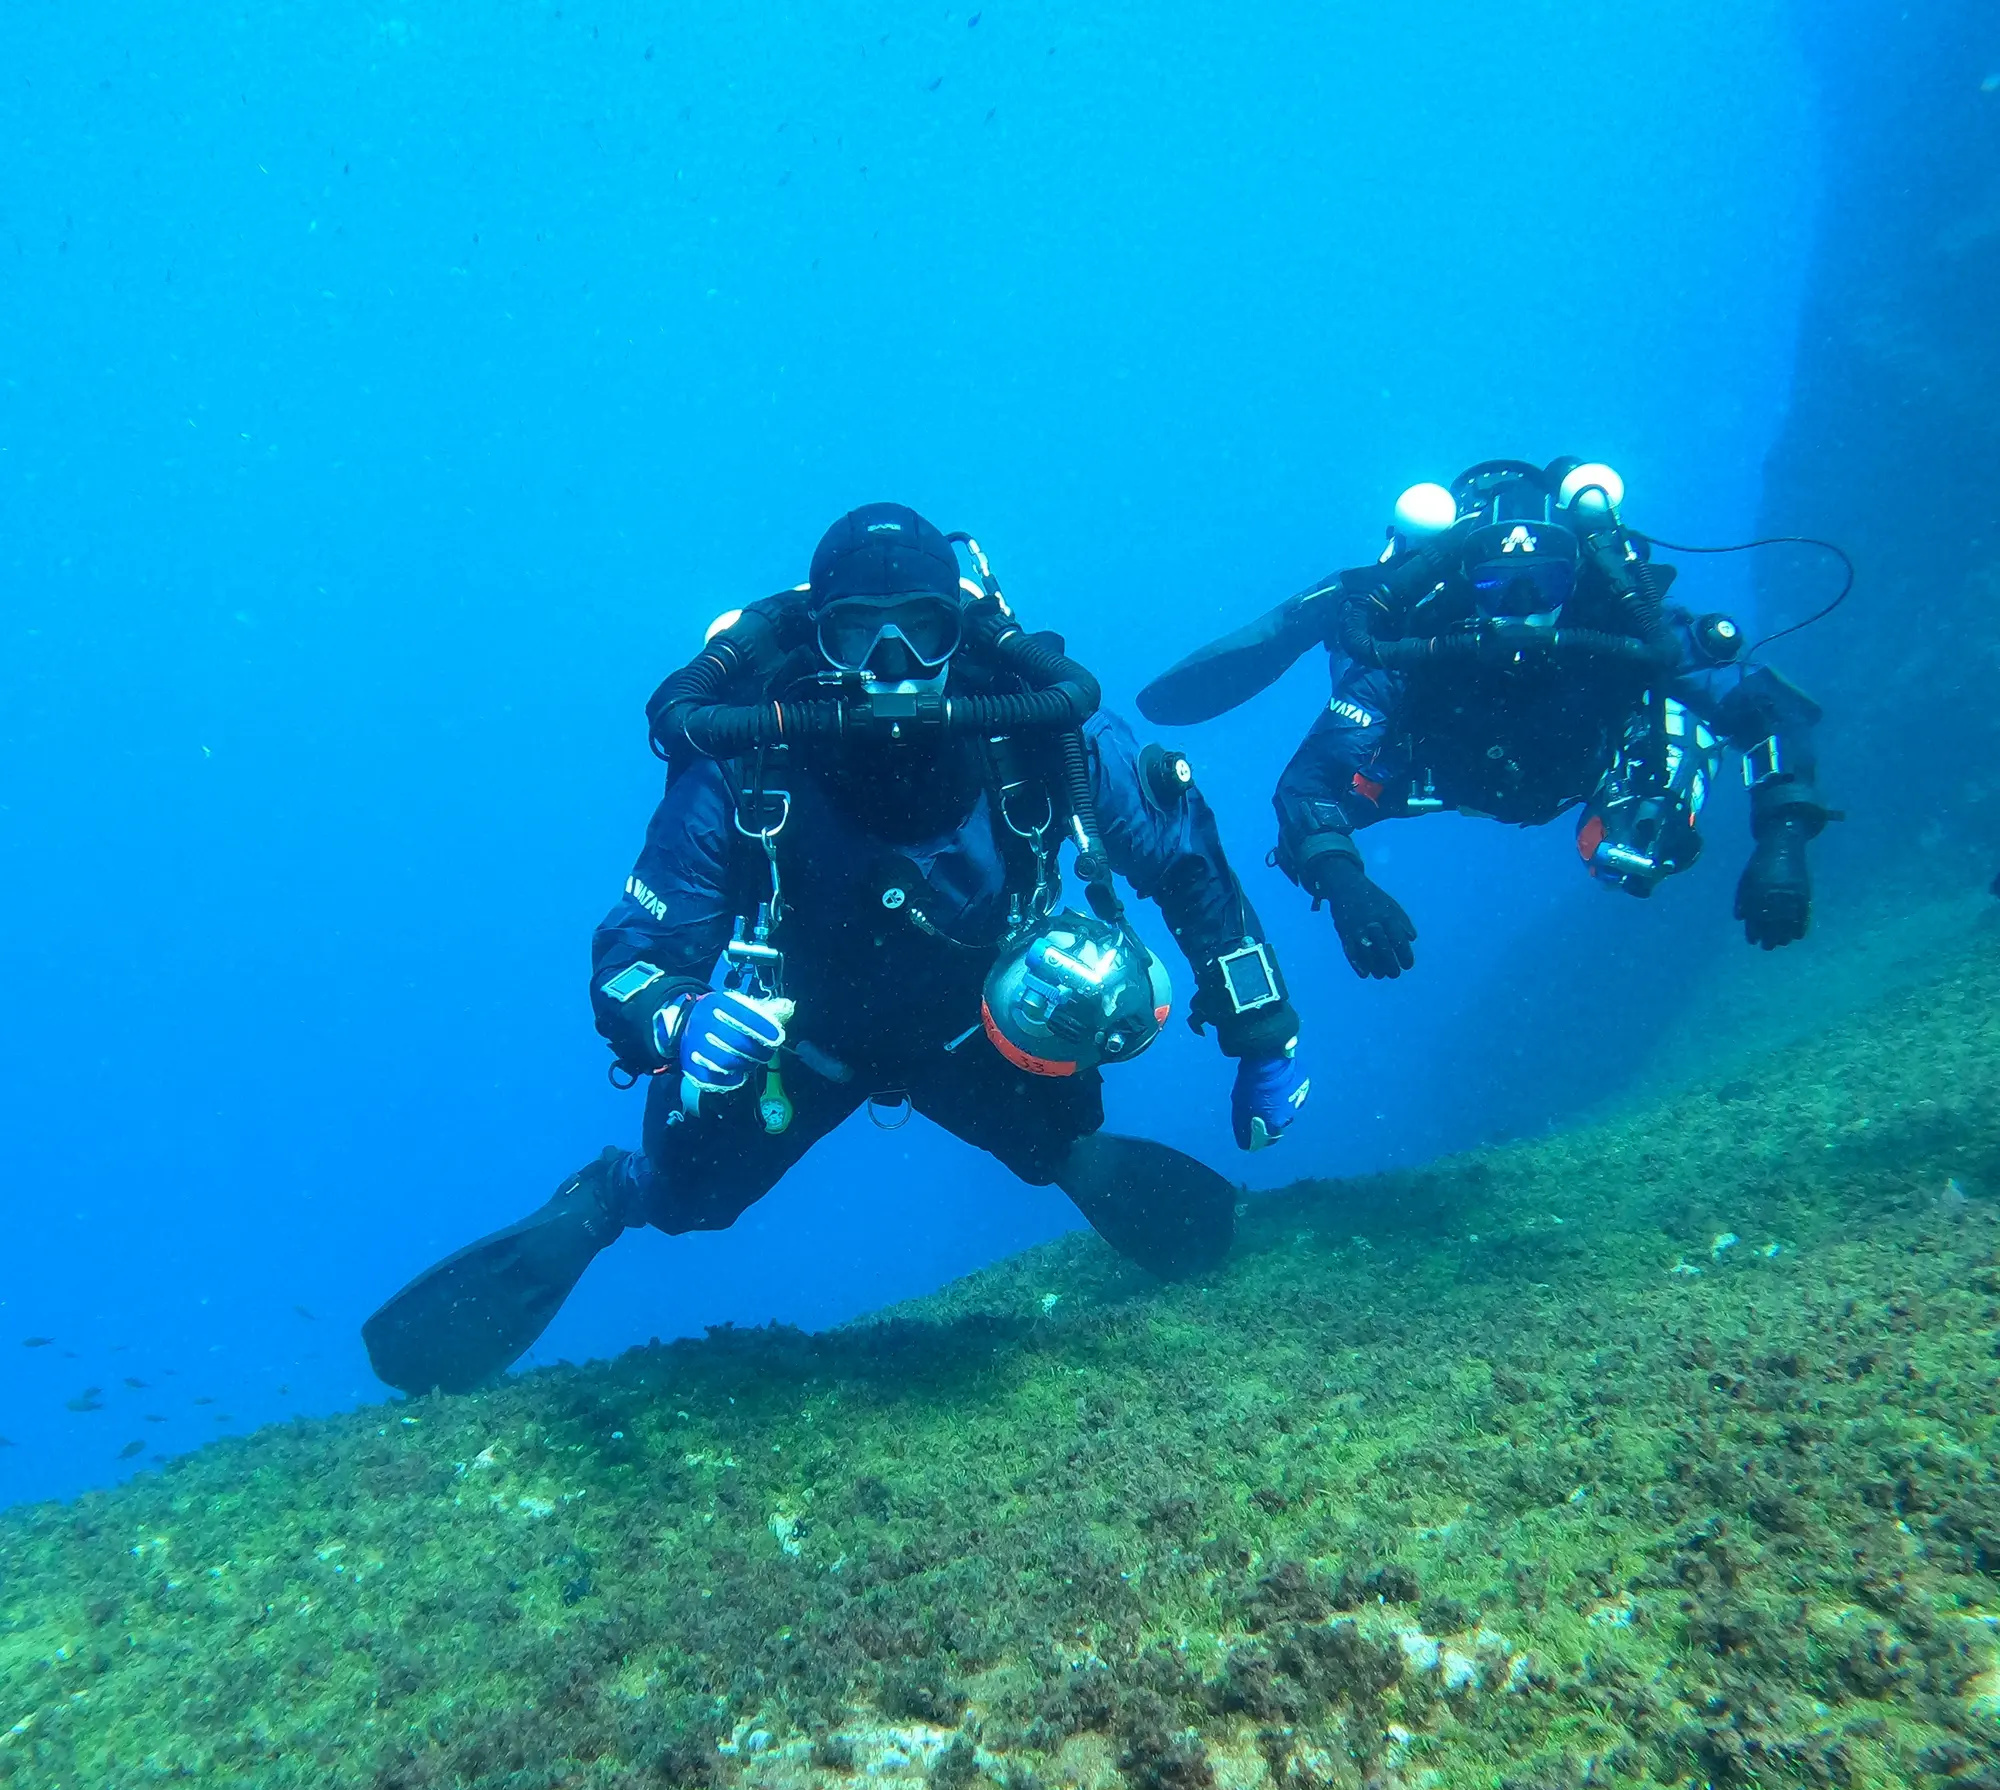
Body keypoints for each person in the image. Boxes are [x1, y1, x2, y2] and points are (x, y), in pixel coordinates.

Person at [365, 503, 1309, 1396]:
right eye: (860, 632)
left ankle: (1068, 1153)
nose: (894, 663)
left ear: (963, 632)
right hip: (792, 1042)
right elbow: (634, 953)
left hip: (983, 1027)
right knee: (694, 1197)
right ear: (818, 636)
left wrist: (1262, 1026)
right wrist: (683, 1022)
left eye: (924, 632)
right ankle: (615, 1196)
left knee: (1055, 1134)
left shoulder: (1042, 730)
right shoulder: (747, 754)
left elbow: (1188, 863)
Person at [1138, 459, 1833, 981]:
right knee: (1314, 828)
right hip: (1434, 765)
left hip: (1589, 765)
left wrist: (1782, 842)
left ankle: (1630, 816)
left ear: (1577, 580)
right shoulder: (1414, 649)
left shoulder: (1623, 621)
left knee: (1660, 794)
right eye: (1501, 588)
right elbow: (1307, 787)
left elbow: (1763, 707)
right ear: (1467, 586)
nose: (1524, 609)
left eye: (1545, 585)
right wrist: (1345, 884)